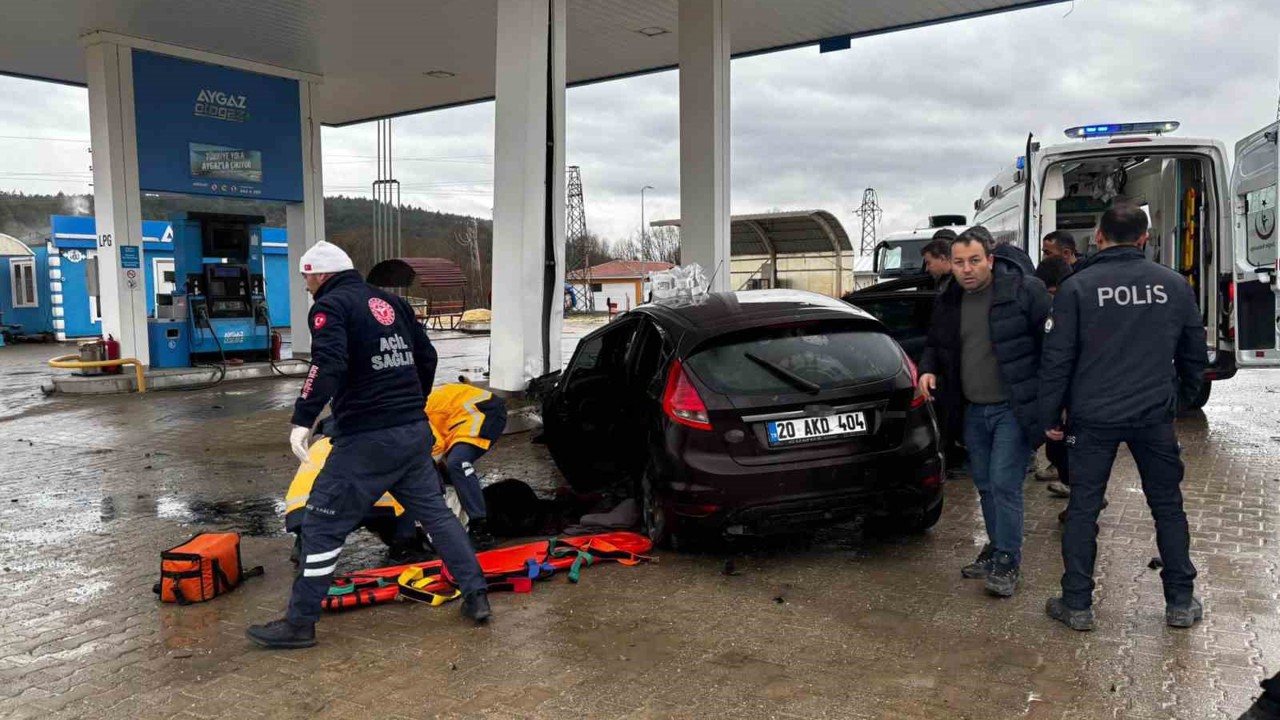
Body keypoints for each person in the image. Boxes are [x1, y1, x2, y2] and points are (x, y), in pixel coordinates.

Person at [247, 241, 489, 650]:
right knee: (437, 517)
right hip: (412, 434)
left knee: (320, 525)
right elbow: (427, 356)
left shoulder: (330, 307)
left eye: (307, 276)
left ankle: (300, 623)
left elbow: (326, 364)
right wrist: (411, 403)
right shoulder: (392, 303)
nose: (306, 285)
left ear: (321, 274)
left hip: (365, 441)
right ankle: (476, 595)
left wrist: (303, 419)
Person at [1039, 201, 1208, 632]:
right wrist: (1180, 401)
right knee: (1167, 506)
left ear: (1098, 237)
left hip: (1092, 416)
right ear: (1144, 238)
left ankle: (1077, 603)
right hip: (1153, 415)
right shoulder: (1173, 285)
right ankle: (1180, 601)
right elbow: (1194, 355)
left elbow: (1057, 360)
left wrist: (1050, 415)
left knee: (1083, 508)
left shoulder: (1077, 287)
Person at [918, 226, 1051, 598]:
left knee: (1005, 484)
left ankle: (1008, 559)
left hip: (1012, 409)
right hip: (972, 410)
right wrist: (928, 368)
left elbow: (1051, 349)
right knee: (987, 485)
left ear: (990, 260)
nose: (967, 269)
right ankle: (995, 548)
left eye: (974, 260)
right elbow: (935, 343)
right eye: (959, 262)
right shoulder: (949, 299)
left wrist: (1054, 405)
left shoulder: (1023, 292)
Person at [426, 383, 509, 549]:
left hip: (482, 411)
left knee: (458, 463)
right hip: (458, 420)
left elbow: (436, 446)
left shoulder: (408, 416)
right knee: (449, 470)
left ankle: (480, 525)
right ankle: (466, 516)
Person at [1034, 256, 1075, 500]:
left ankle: (1081, 495)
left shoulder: (1070, 309)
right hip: (1067, 395)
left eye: (1052, 292)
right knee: (1060, 449)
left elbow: (1059, 361)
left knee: (1069, 449)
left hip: (1074, 396)